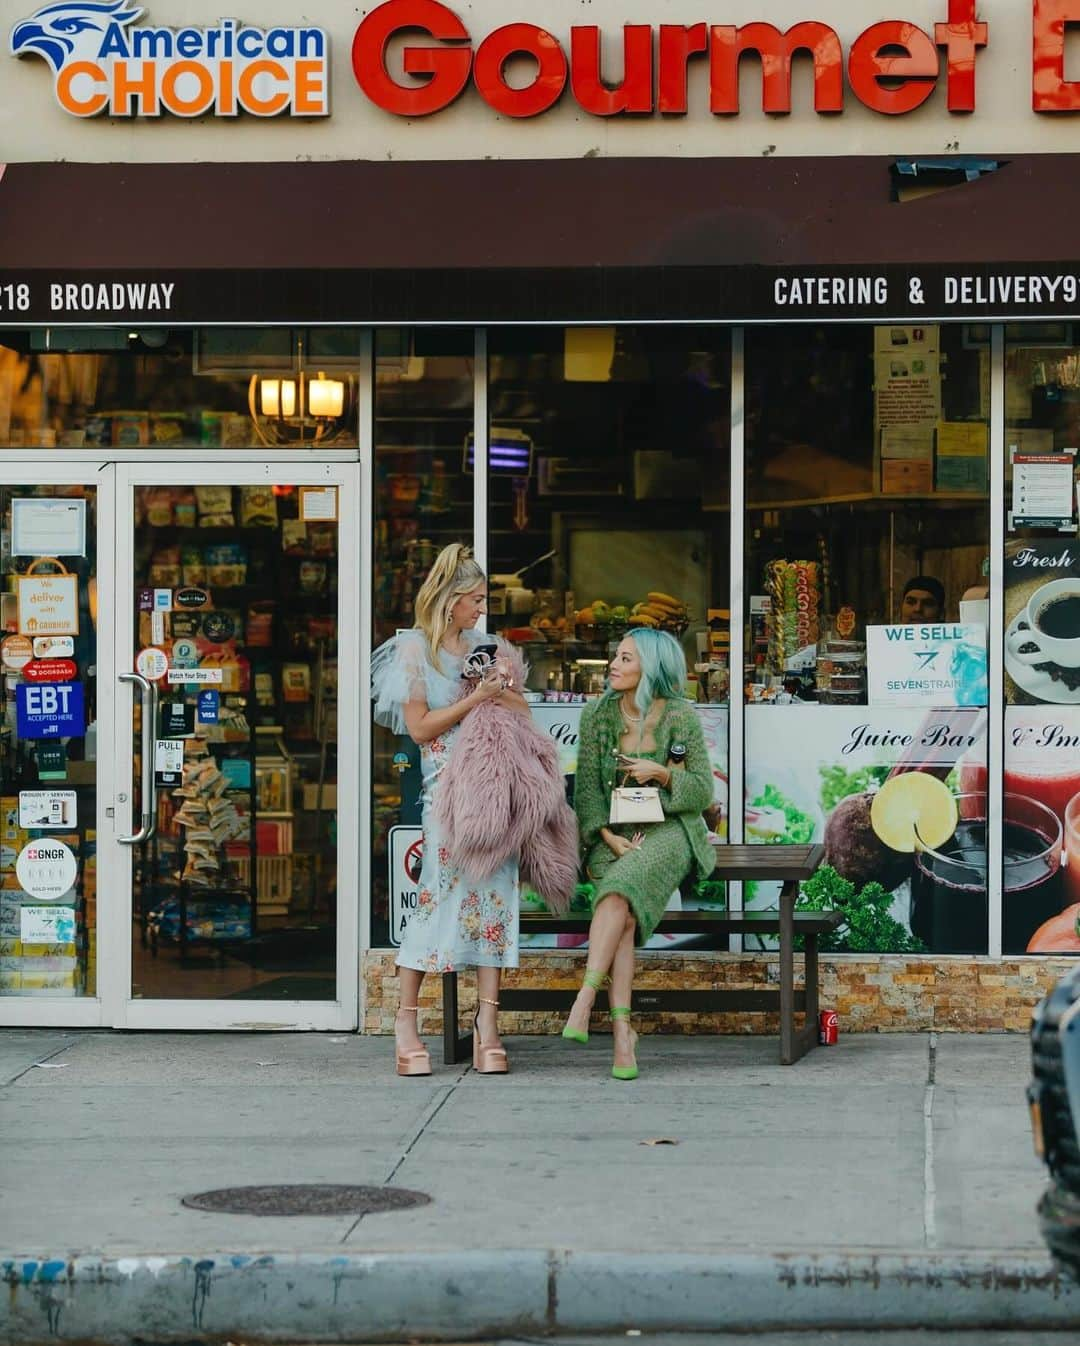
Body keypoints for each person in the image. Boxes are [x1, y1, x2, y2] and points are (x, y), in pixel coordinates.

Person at [372, 543, 530, 1077]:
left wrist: (497, 689)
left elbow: (521, 709)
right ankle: (406, 1023)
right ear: (450, 599)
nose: (482, 609)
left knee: (496, 905)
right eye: (476, 599)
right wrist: (473, 698)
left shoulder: (487, 647)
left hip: (491, 794)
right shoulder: (414, 651)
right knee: (434, 905)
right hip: (445, 798)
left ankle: (488, 1025)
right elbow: (419, 729)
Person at [562, 628, 715, 1080]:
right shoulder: (597, 715)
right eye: (616, 656)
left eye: (625, 658)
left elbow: (703, 791)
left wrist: (663, 776)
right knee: (620, 909)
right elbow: (587, 791)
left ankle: (585, 999)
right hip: (613, 833)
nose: (613, 663)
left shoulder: (680, 716)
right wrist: (605, 836)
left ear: (650, 668)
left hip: (670, 832)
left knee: (620, 889)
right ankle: (622, 1034)